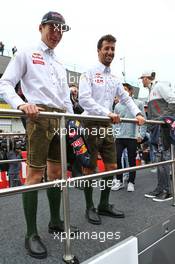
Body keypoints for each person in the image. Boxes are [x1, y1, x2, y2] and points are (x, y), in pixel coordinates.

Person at [0, 11, 78, 259]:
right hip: (39, 116)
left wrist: (72, 119)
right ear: (41, 27)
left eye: (61, 29)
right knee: (34, 176)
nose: (57, 32)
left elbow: (65, 97)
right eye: (53, 27)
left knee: (56, 173)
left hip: (61, 118)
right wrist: (21, 104)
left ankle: (55, 221)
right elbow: (5, 83)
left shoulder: (59, 63)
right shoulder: (25, 53)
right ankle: (30, 233)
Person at [79, 34, 145, 225]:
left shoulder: (115, 78)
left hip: (107, 125)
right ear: (99, 50)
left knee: (112, 166)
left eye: (112, 49)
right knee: (89, 168)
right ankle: (89, 206)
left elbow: (125, 99)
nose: (110, 52)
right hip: (91, 123)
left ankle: (104, 204)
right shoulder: (89, 72)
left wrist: (137, 114)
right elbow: (84, 99)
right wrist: (106, 112)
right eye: (106, 48)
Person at [140, 71, 173, 201]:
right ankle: (160, 188)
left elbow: (173, 99)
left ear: (147, 78)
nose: (141, 81)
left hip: (162, 128)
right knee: (159, 159)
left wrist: (165, 118)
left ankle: (167, 191)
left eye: (142, 78)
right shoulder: (151, 90)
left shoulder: (159, 86)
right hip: (156, 128)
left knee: (163, 158)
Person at [112, 83, 146, 192]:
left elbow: (144, 121)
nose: (123, 92)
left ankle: (131, 182)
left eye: (125, 89)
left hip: (132, 137)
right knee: (117, 158)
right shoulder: (117, 106)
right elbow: (114, 123)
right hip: (120, 137)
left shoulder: (138, 103)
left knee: (132, 160)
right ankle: (119, 181)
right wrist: (113, 134)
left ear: (131, 91)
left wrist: (141, 135)